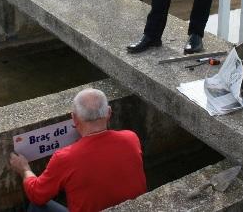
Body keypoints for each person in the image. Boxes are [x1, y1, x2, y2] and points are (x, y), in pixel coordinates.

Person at [9, 88, 147, 212]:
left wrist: (24, 169)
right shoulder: (131, 138)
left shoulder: (65, 158)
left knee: (36, 206)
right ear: (109, 112)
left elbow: (36, 195)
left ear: (74, 119)